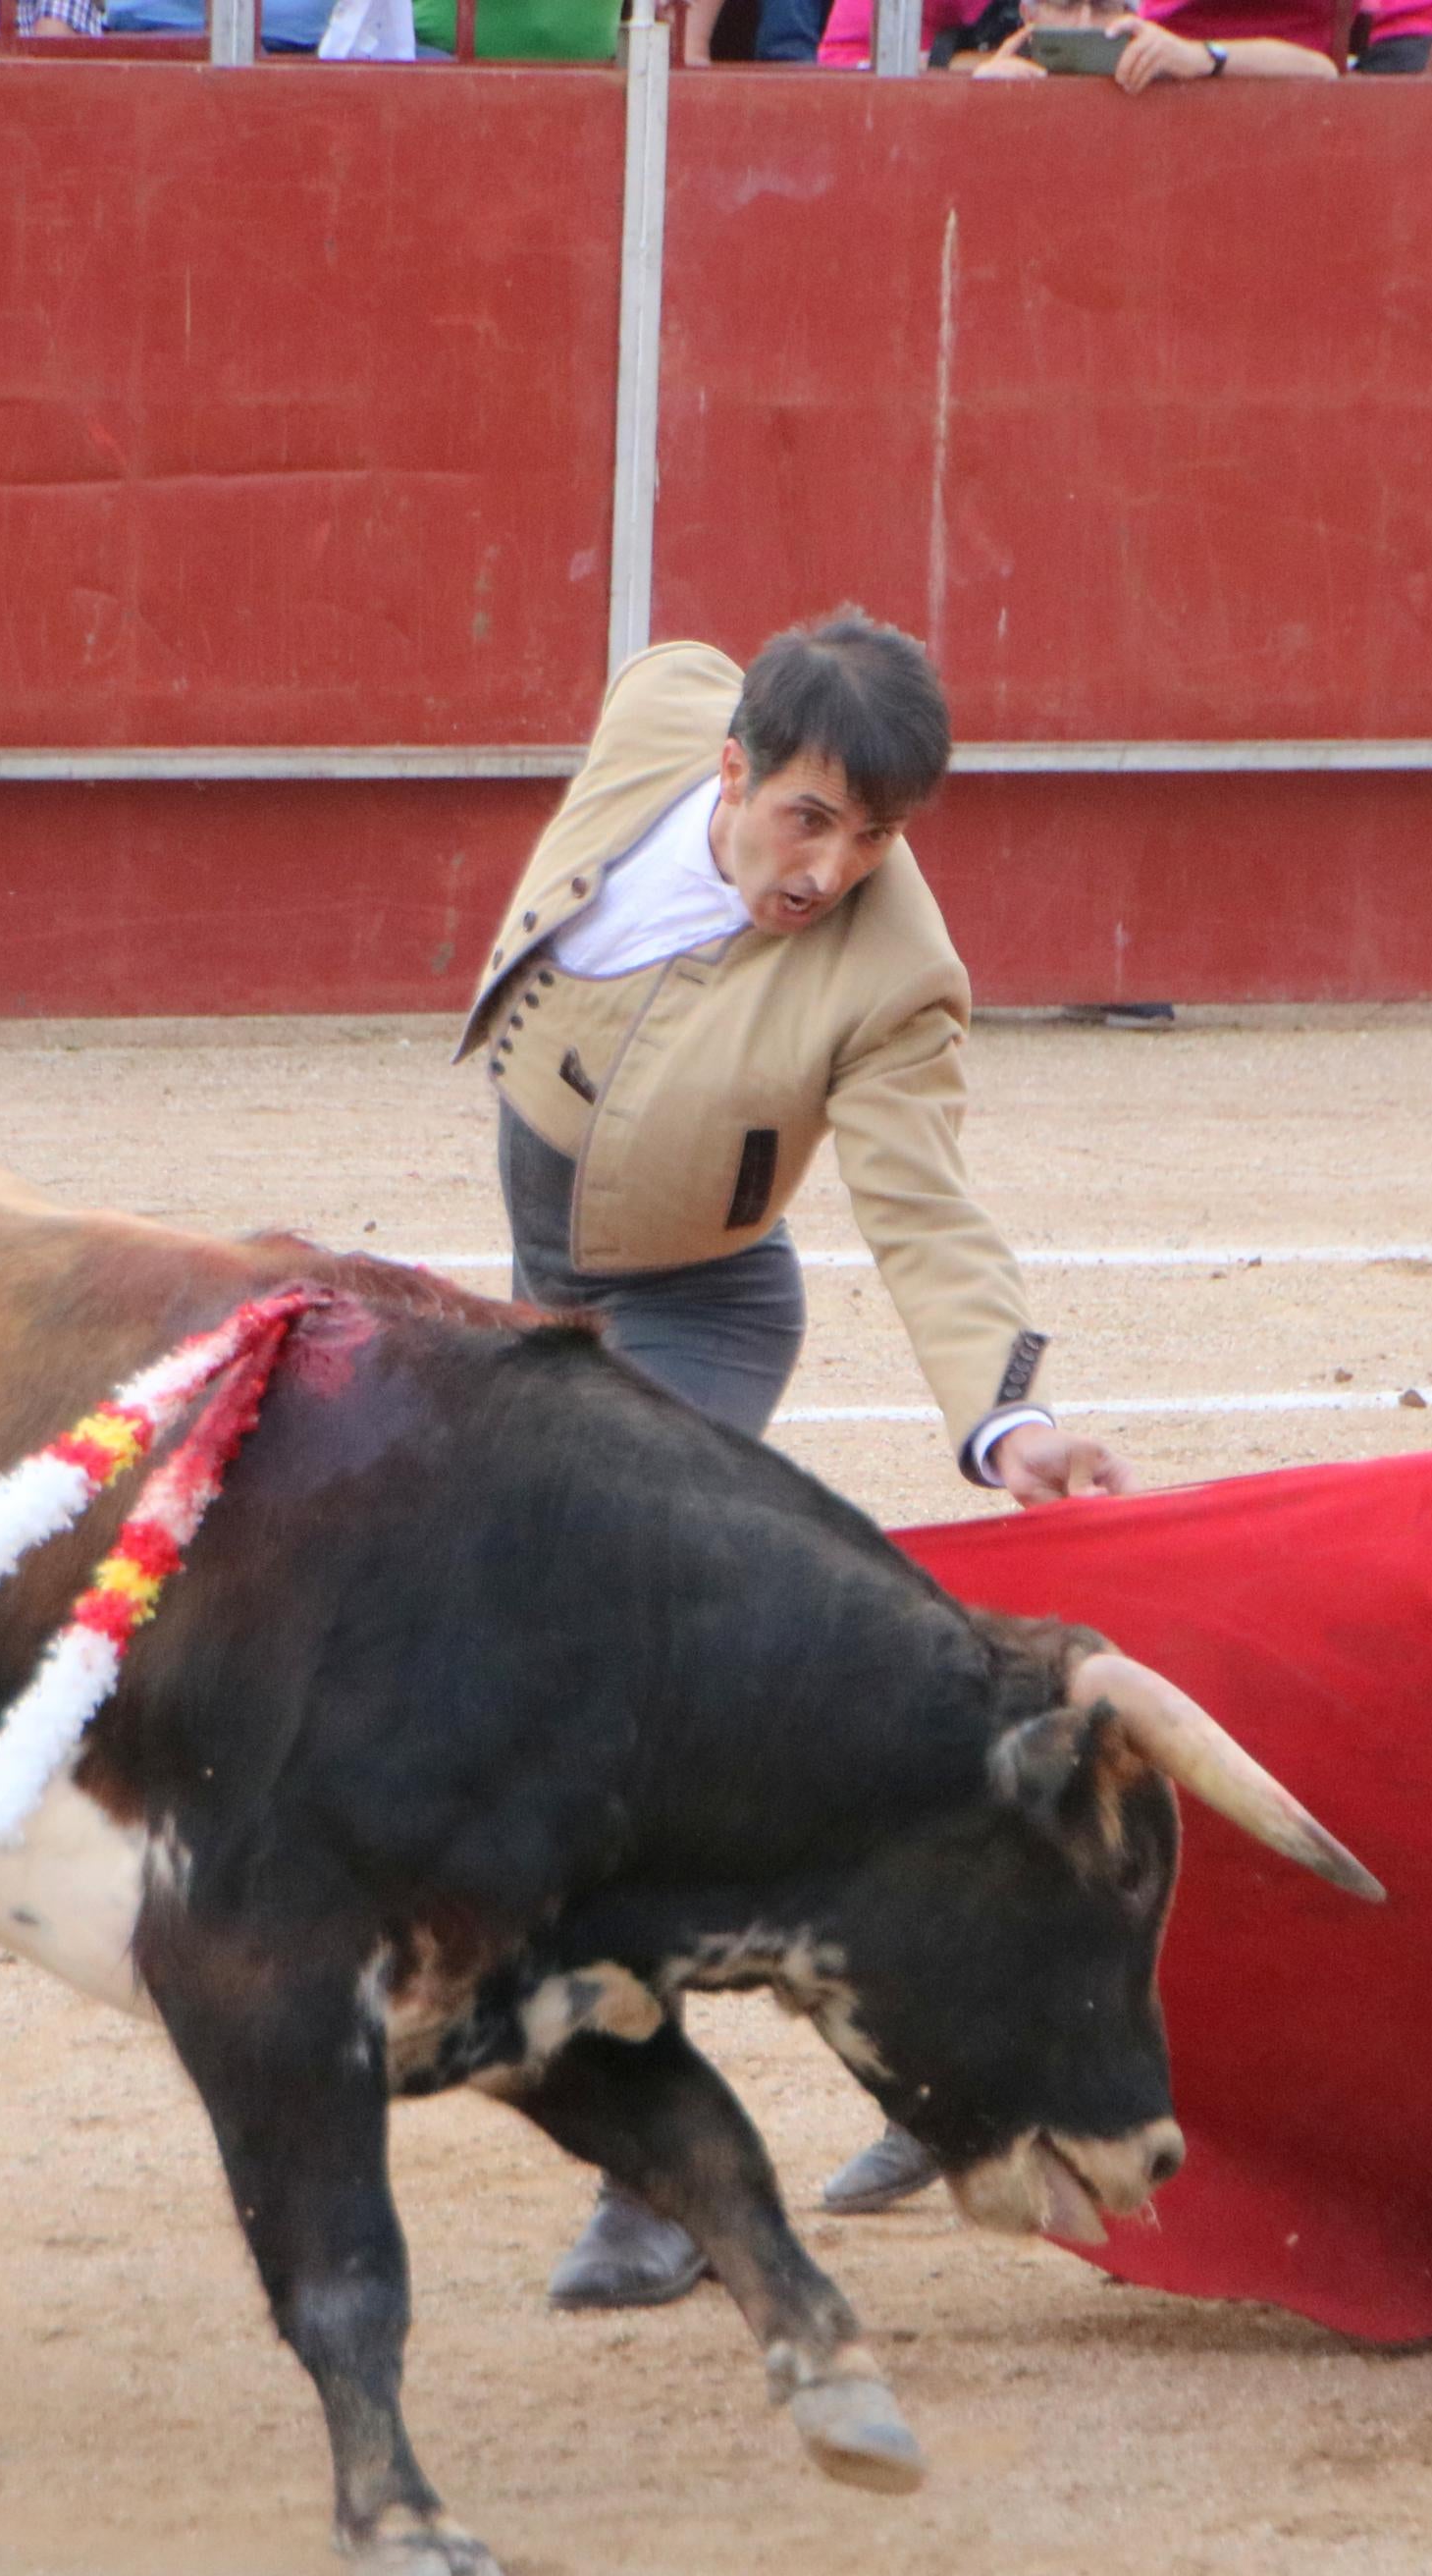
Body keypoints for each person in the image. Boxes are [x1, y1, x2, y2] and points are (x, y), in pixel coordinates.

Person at [457, 613, 1135, 2310]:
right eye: (806, 820)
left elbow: (920, 1206)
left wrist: (1007, 1416)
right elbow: (663, 656)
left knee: (598, 1690)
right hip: (545, 1304)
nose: (831, 870)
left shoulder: (897, 970)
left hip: (693, 1319)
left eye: (877, 838)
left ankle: (653, 2179)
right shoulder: (662, 715)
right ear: (729, 770)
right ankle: (924, 2059)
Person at [966, 0, 1342, 79]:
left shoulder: (1157, 59)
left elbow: (1320, 70)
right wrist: (987, 93)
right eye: (1065, 6)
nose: (1084, 22)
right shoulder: (1001, 75)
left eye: (1102, 6)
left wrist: (1201, 57)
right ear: (1029, 14)